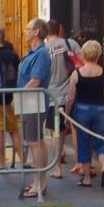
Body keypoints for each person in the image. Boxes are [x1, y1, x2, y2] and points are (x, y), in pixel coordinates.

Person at [15, 16, 55, 201]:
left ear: (36, 32)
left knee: (34, 142)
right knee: (36, 140)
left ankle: (40, 182)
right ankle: (39, 181)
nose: (24, 31)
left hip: (34, 102)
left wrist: (18, 95)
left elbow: (35, 80)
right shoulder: (32, 53)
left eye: (27, 28)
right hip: (30, 101)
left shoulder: (41, 54)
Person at [69, 37, 104, 185]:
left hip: (82, 109)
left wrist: (67, 113)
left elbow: (71, 96)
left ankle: (87, 178)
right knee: (100, 141)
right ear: (98, 54)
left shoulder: (77, 73)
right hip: (99, 108)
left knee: (84, 142)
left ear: (84, 54)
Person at [43, 17, 75, 180]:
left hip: (51, 95)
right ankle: (84, 166)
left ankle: (57, 167)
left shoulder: (43, 48)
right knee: (63, 131)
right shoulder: (70, 44)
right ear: (59, 30)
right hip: (70, 93)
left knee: (55, 131)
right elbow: (83, 63)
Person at [0, 24, 21, 169]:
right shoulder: (13, 55)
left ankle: (2, 162)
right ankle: (24, 160)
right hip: (10, 96)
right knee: (14, 130)